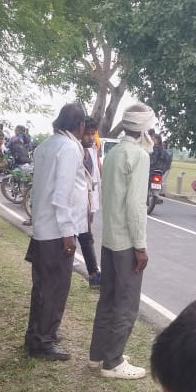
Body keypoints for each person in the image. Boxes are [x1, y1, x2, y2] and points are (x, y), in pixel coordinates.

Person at [88, 103, 155, 380]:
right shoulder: (139, 156)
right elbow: (136, 206)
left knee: (108, 299)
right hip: (127, 242)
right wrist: (140, 247)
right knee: (126, 303)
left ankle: (98, 354)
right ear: (144, 128)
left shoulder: (114, 152)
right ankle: (113, 361)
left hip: (110, 239)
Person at [24, 103, 88, 361]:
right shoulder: (69, 147)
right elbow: (62, 195)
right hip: (56, 231)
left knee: (42, 287)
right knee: (55, 288)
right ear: (80, 125)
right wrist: (68, 233)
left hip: (43, 228)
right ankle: (44, 341)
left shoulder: (45, 146)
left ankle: (36, 335)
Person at [79, 117, 102, 288]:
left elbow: (95, 175)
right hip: (78, 201)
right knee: (85, 236)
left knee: (86, 235)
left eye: (92, 134)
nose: (90, 137)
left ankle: (94, 272)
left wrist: (93, 204)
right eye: (87, 134)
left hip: (89, 197)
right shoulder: (75, 151)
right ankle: (93, 273)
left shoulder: (93, 149)